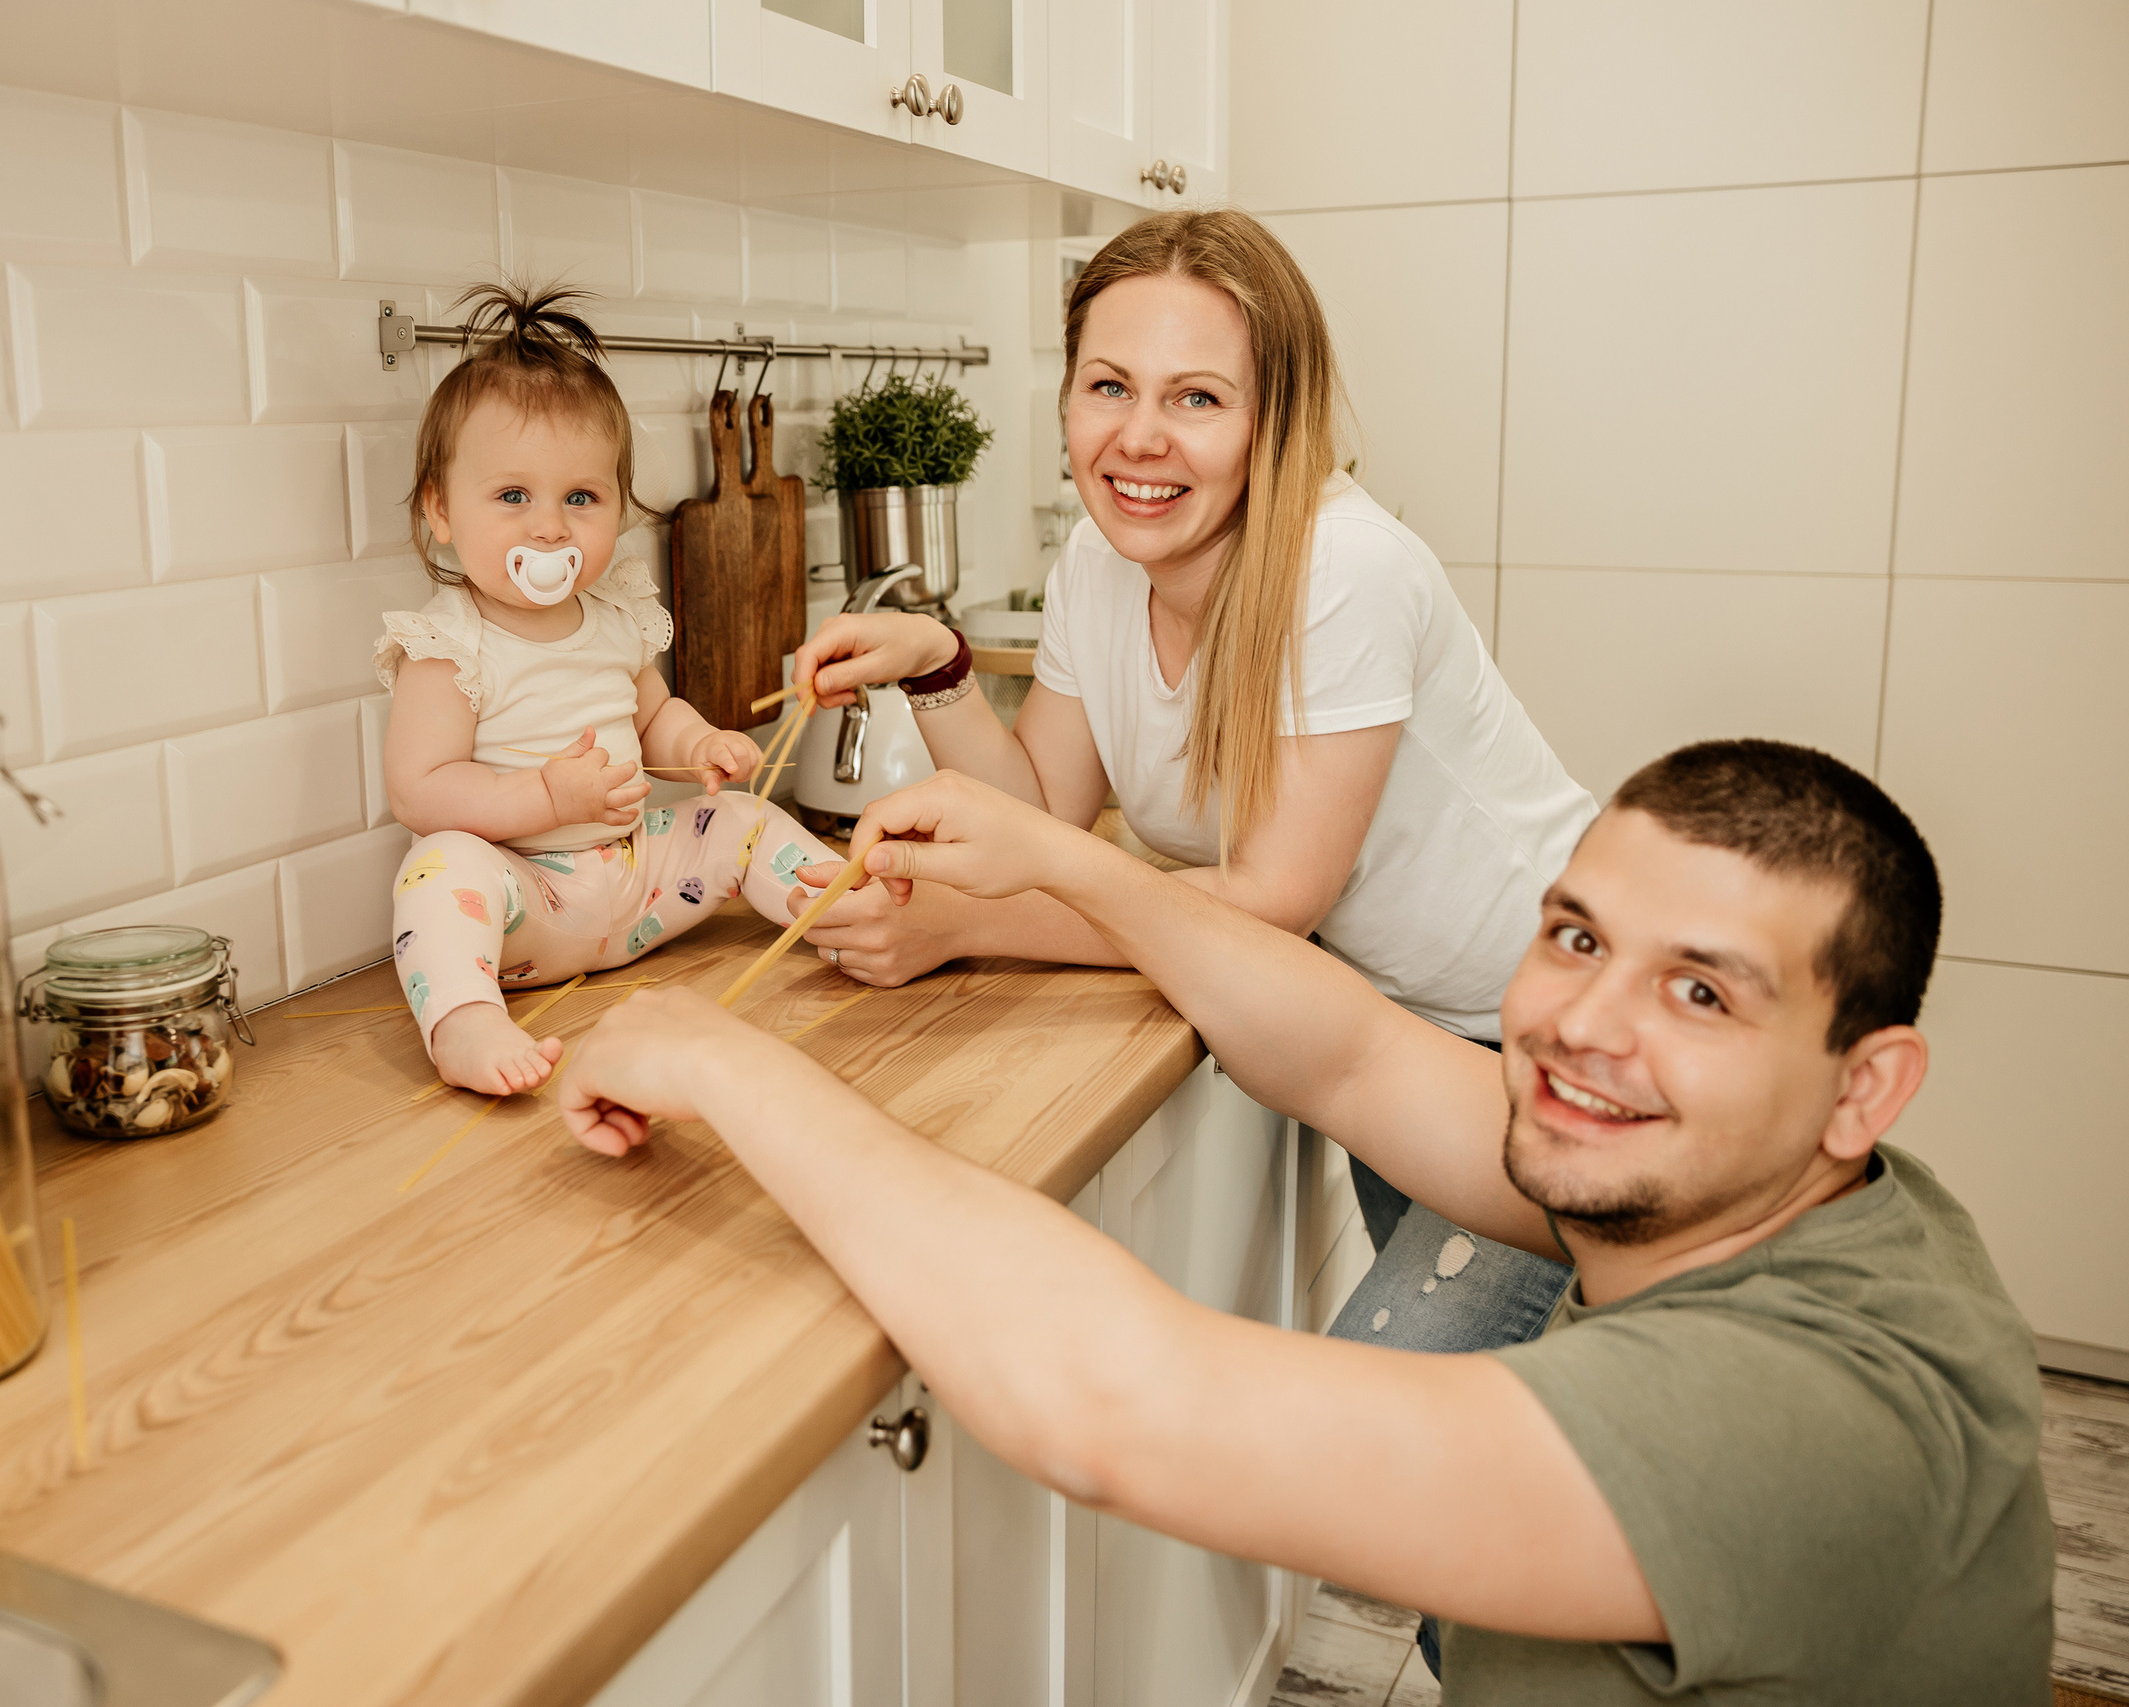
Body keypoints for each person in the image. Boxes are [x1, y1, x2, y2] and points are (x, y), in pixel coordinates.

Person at [556, 742, 2055, 1702]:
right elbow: (1355, 1052)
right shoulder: (1760, 1195)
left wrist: (719, 1056)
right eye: (1579, 936)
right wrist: (1066, 857)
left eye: (1703, 991)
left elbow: (1119, 1406)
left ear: (1867, 1087)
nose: (1584, 1024)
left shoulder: (1805, 1414)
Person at [789, 208, 1594, 1366]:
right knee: (1477, 1463)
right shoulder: (1099, 564)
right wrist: (940, 667)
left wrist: (969, 925)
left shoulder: (1342, 571)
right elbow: (1045, 810)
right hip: (1378, 1040)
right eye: (1109, 387)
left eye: (1197, 398)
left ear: (1272, 421)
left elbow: (1273, 898)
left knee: (1391, 1460)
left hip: (1533, 1046)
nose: (1139, 438)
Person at [374, 283, 828, 1096]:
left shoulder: (615, 610)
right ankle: (466, 1020)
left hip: (640, 881)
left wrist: (699, 744)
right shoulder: (449, 643)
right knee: (439, 870)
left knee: (744, 821)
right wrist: (547, 795)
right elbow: (420, 791)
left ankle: (839, 909)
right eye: (514, 496)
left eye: (579, 498)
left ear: (617, 510)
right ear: (441, 511)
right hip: (526, 908)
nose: (550, 526)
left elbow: (652, 711)